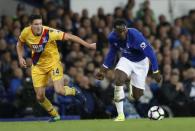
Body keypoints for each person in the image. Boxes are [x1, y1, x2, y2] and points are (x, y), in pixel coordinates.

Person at [16, 14, 96, 122]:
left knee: (59, 90)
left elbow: (70, 36)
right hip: (38, 67)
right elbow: (19, 44)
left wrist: (88, 45)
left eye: (40, 23)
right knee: (39, 97)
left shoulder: (49, 32)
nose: (39, 26)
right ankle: (55, 115)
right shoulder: (26, 32)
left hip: (53, 64)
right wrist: (20, 57)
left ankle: (75, 92)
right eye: (36, 24)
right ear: (30, 25)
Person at [95, 19, 161, 121]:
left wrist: (155, 71)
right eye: (119, 32)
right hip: (126, 59)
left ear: (126, 29)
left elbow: (150, 52)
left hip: (141, 63)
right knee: (118, 80)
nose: (121, 34)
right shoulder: (112, 38)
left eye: (123, 31)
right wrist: (103, 70)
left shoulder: (136, 37)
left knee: (136, 96)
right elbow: (112, 53)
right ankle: (120, 115)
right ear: (115, 31)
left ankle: (130, 82)